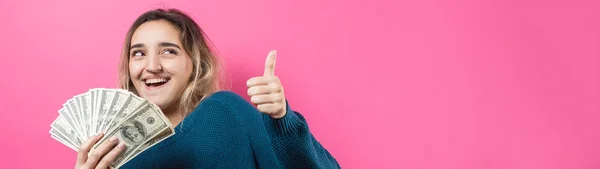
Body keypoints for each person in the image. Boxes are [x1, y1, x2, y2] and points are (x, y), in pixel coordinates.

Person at [74, 8, 340, 169]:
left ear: (195, 63)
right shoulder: (112, 151)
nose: (152, 66)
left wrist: (282, 121)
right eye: (139, 54)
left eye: (168, 51)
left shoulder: (224, 115)